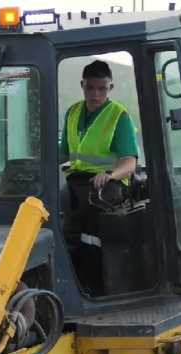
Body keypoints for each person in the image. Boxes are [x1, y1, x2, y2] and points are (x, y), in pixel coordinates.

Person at [59, 59, 140, 292]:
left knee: (92, 215)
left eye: (102, 88)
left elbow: (129, 162)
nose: (96, 94)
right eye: (91, 88)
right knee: (54, 207)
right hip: (77, 181)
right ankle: (69, 278)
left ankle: (96, 284)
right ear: (82, 85)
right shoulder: (73, 113)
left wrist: (110, 174)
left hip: (109, 185)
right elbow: (64, 151)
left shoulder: (119, 117)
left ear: (110, 88)